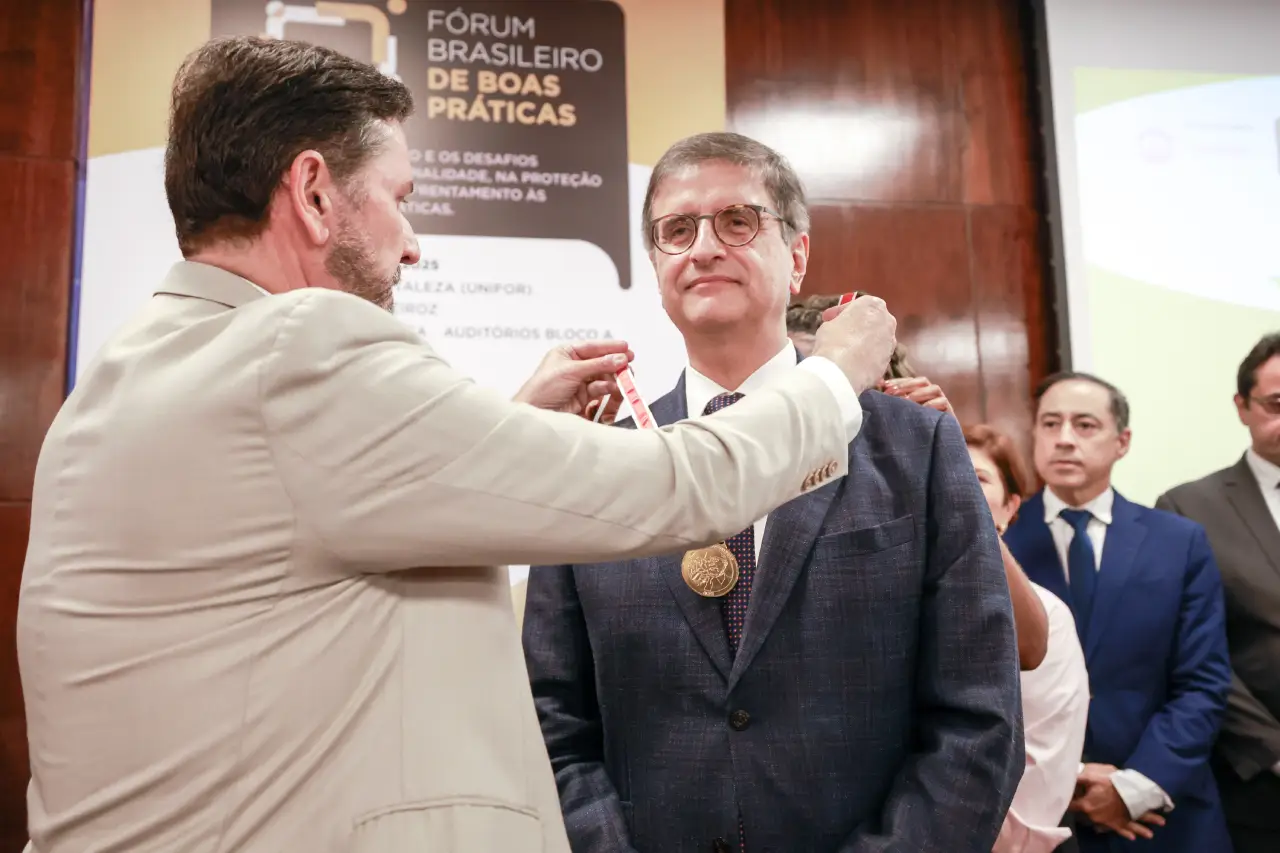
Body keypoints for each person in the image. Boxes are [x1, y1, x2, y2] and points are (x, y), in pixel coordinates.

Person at [15, 39, 901, 853]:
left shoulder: (116, 386)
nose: (412, 246)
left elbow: (311, 539)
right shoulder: (301, 347)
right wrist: (833, 376)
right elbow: (672, 486)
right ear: (316, 192)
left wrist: (516, 422)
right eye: (400, 201)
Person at [522, 131, 1024, 853]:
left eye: (737, 220)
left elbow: (978, 716)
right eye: (676, 230)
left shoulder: (915, 447)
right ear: (658, 265)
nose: (703, 247)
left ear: (797, 257)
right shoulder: (594, 455)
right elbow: (552, 719)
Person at [1004, 372, 1233, 853]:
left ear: (1121, 441)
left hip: (1160, 813)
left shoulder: (1178, 542)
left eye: (1085, 425)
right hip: (1035, 814)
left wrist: (1134, 787)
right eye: (1051, 423)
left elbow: (1203, 683)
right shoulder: (999, 545)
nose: (1064, 439)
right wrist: (1075, 776)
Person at [1156, 332, 1280, 853]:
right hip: (1257, 780)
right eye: (1277, 404)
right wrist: (1273, 750)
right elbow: (1194, 654)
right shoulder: (1189, 509)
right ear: (1242, 407)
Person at [965, 424, 1090, 853]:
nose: (951, 487)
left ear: (1009, 507)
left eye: (975, 479)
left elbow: (1040, 774)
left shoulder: (1045, 615)